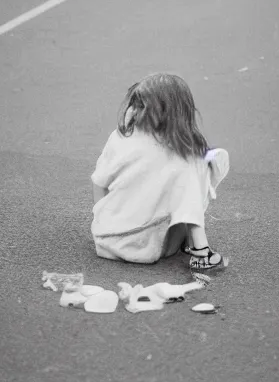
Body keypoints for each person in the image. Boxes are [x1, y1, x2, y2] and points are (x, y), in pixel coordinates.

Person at [90, 72, 230, 270]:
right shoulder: (183, 155)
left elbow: (98, 182)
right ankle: (200, 250)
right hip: (144, 246)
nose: (134, 110)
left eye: (140, 105)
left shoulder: (120, 136)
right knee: (199, 166)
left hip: (106, 240)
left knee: (184, 172)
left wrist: (101, 220)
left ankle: (190, 243)